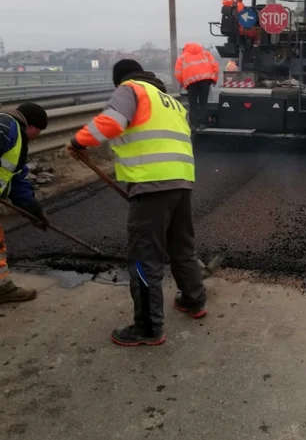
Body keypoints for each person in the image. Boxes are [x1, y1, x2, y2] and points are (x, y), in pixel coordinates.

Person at [67, 59, 206, 347]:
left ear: (118, 80)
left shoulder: (130, 89)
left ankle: (147, 327)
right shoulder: (170, 100)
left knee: (144, 259)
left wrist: (78, 142)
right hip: (181, 181)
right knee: (182, 247)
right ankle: (194, 300)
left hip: (150, 186)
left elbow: (111, 122)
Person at [0, 103, 49, 304]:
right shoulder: (5, 126)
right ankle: (3, 289)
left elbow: (17, 181)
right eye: (38, 132)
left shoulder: (15, 137)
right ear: (33, 127)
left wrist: (34, 211)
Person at [174, 44, 219, 129]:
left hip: (191, 83)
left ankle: (193, 124)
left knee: (193, 104)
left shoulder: (183, 57)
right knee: (203, 103)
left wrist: (183, 84)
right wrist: (214, 80)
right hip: (205, 80)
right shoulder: (206, 53)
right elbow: (215, 67)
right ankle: (203, 123)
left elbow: (178, 73)